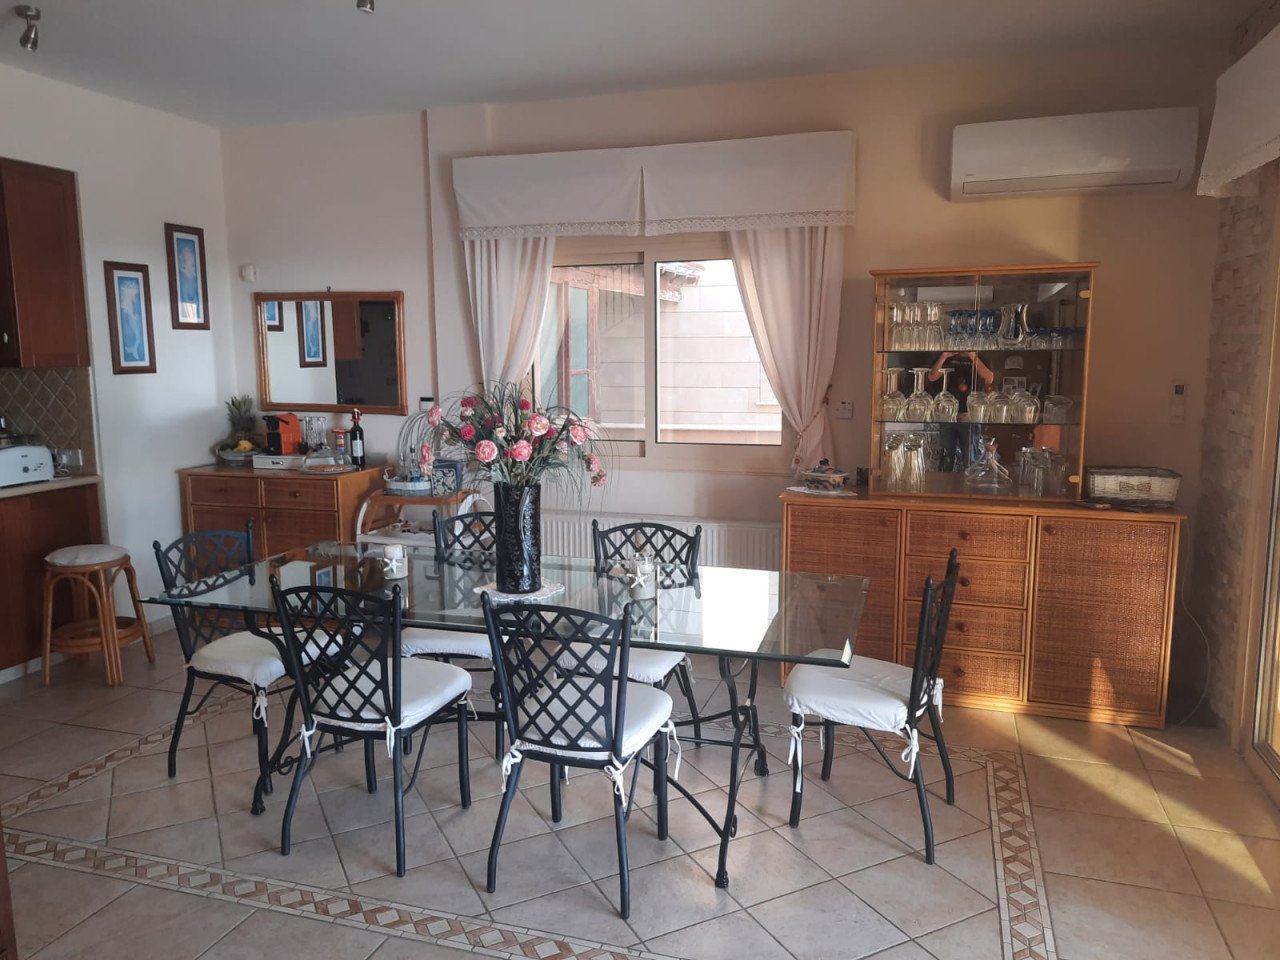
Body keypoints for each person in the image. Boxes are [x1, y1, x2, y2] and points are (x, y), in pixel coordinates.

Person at [927, 351, 995, 472]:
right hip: (947, 415)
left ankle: (970, 483)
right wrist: (944, 356)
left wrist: (973, 356)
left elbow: (989, 378)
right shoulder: (945, 357)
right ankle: (945, 482)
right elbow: (932, 377)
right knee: (947, 456)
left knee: (970, 456)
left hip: (970, 416)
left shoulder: (980, 357)